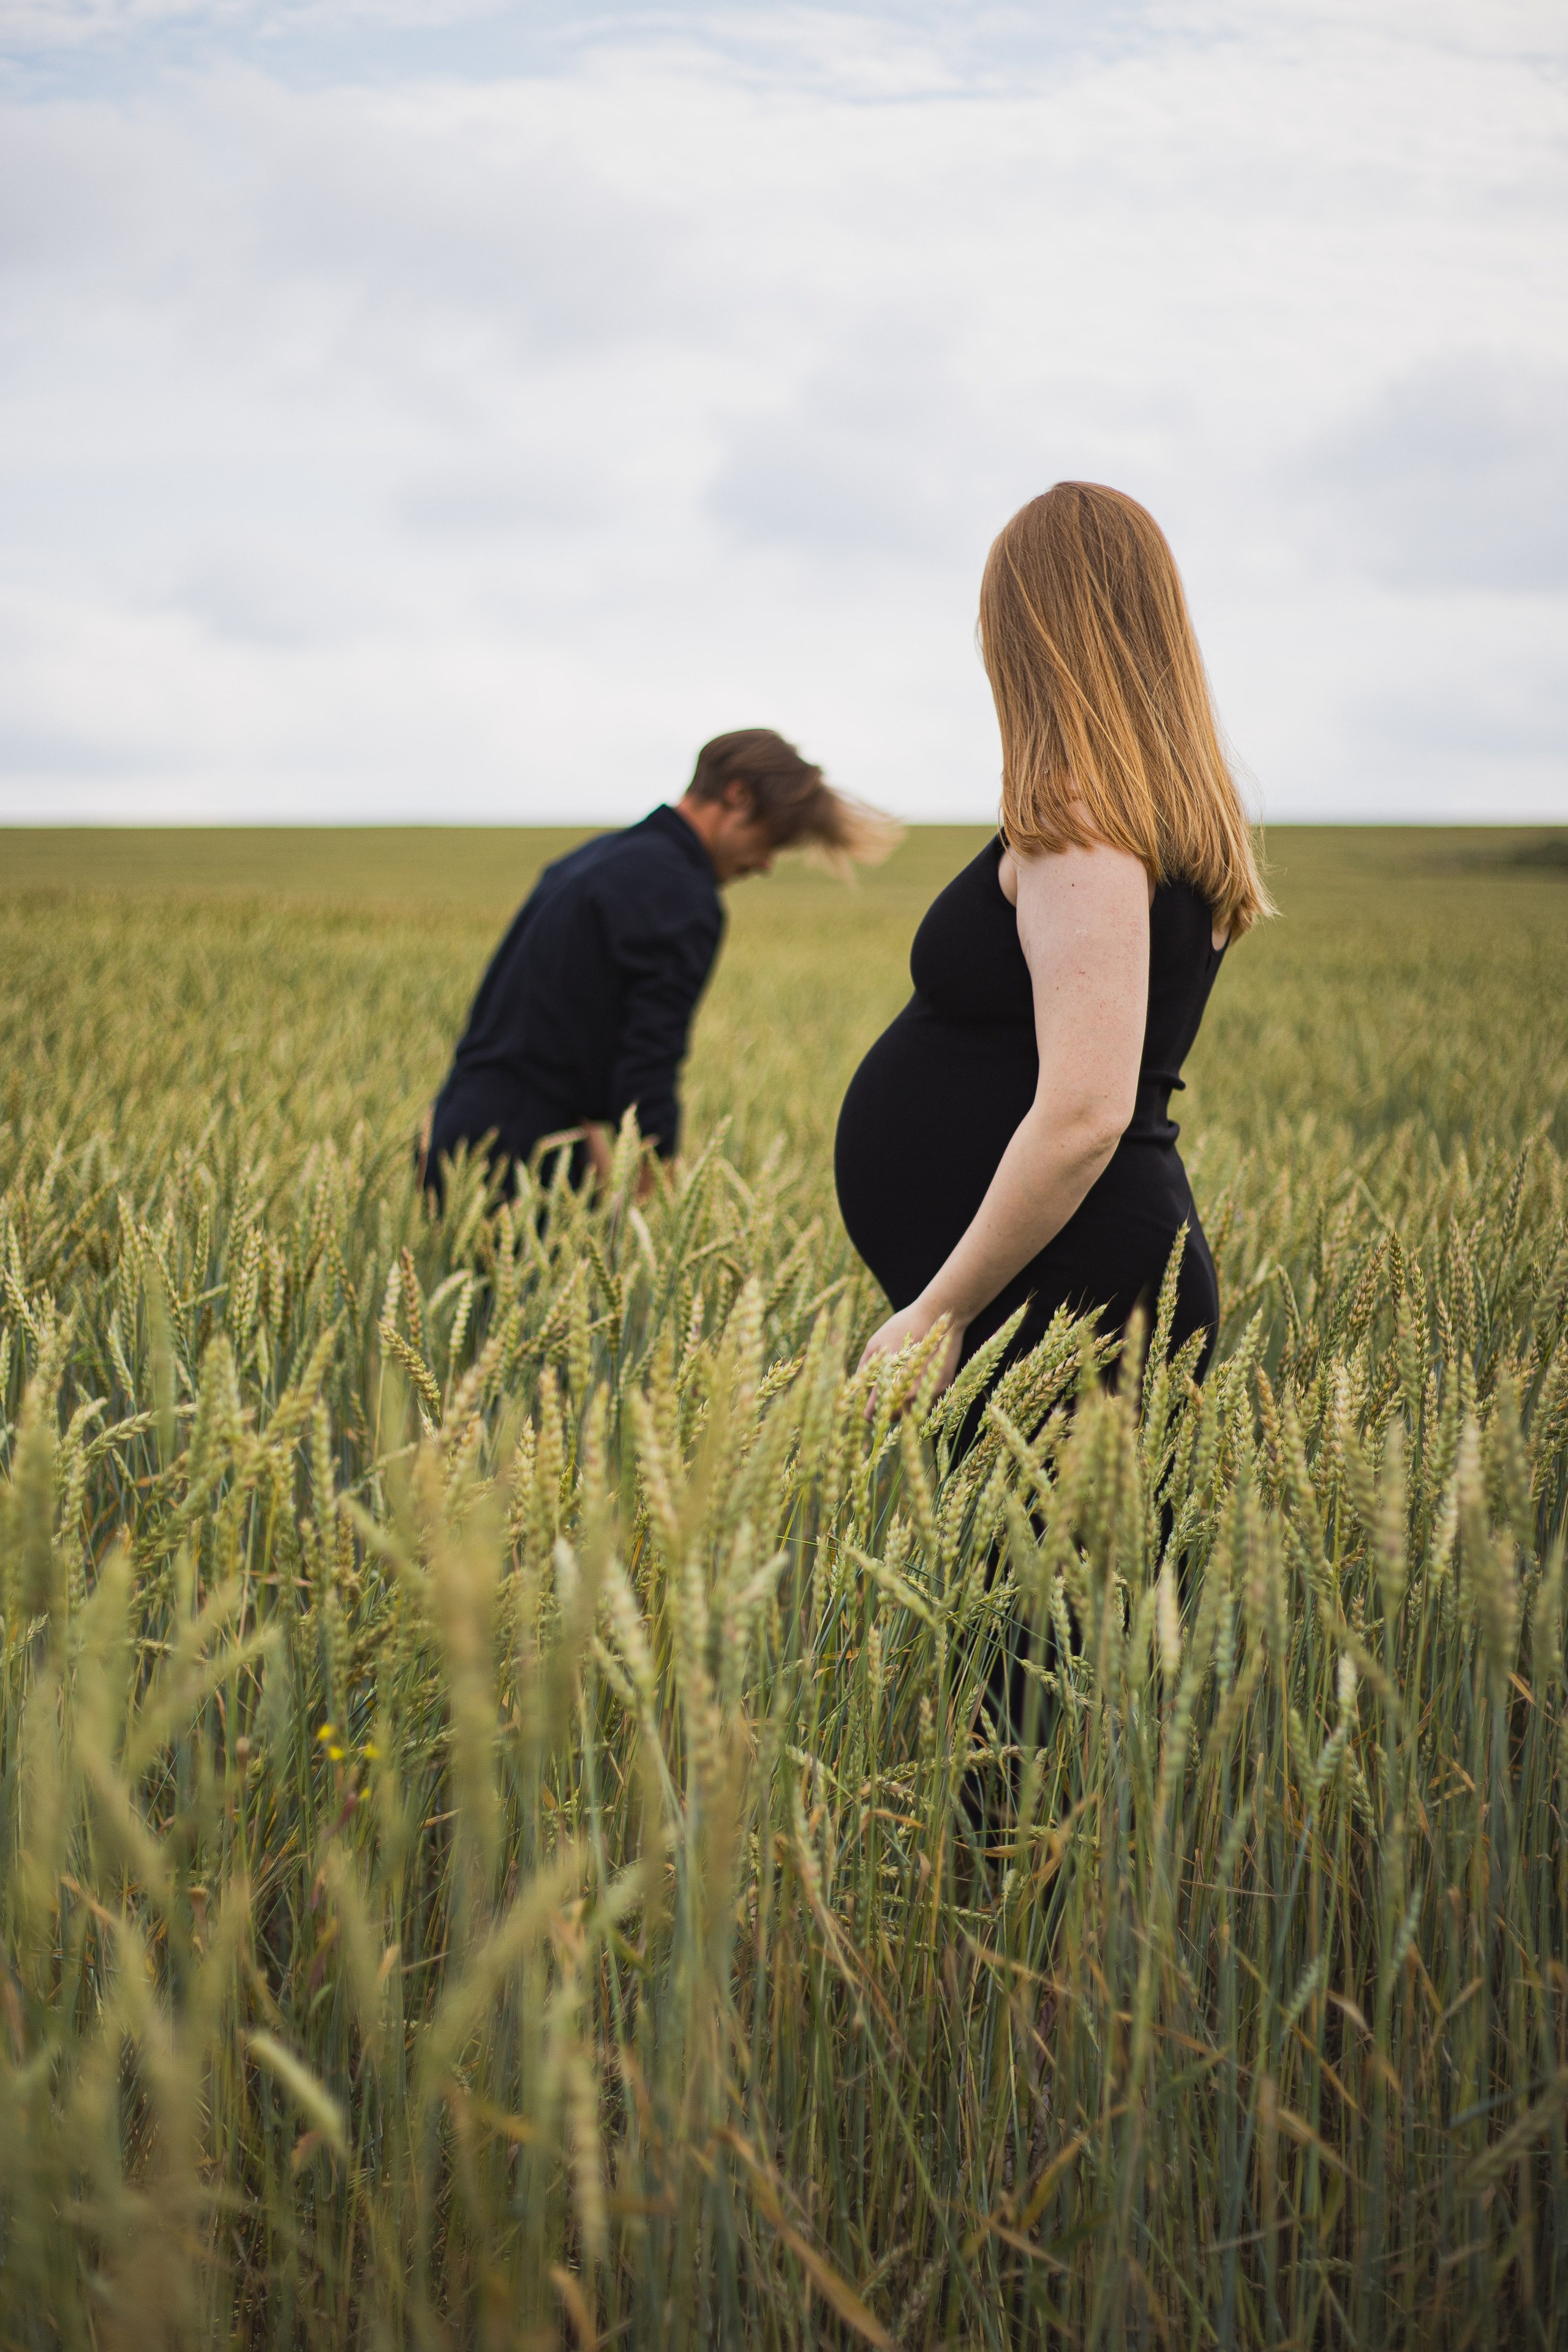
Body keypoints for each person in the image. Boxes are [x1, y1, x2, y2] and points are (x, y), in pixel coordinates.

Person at [835, 482, 1272, 1406]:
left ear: (1033, 632)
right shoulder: (1147, 818)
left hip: (1066, 1298)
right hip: (1064, 1281)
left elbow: (1086, 1113)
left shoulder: (1086, 822)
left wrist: (942, 1311)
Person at [426, 729, 893, 1199]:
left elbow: (548, 1028)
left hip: (459, 1129)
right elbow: (650, 1057)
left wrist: (594, 1144)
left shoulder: (593, 861)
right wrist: (658, 1190)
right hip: (526, 1162)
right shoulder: (681, 895)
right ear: (738, 797)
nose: (767, 865)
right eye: (773, 840)